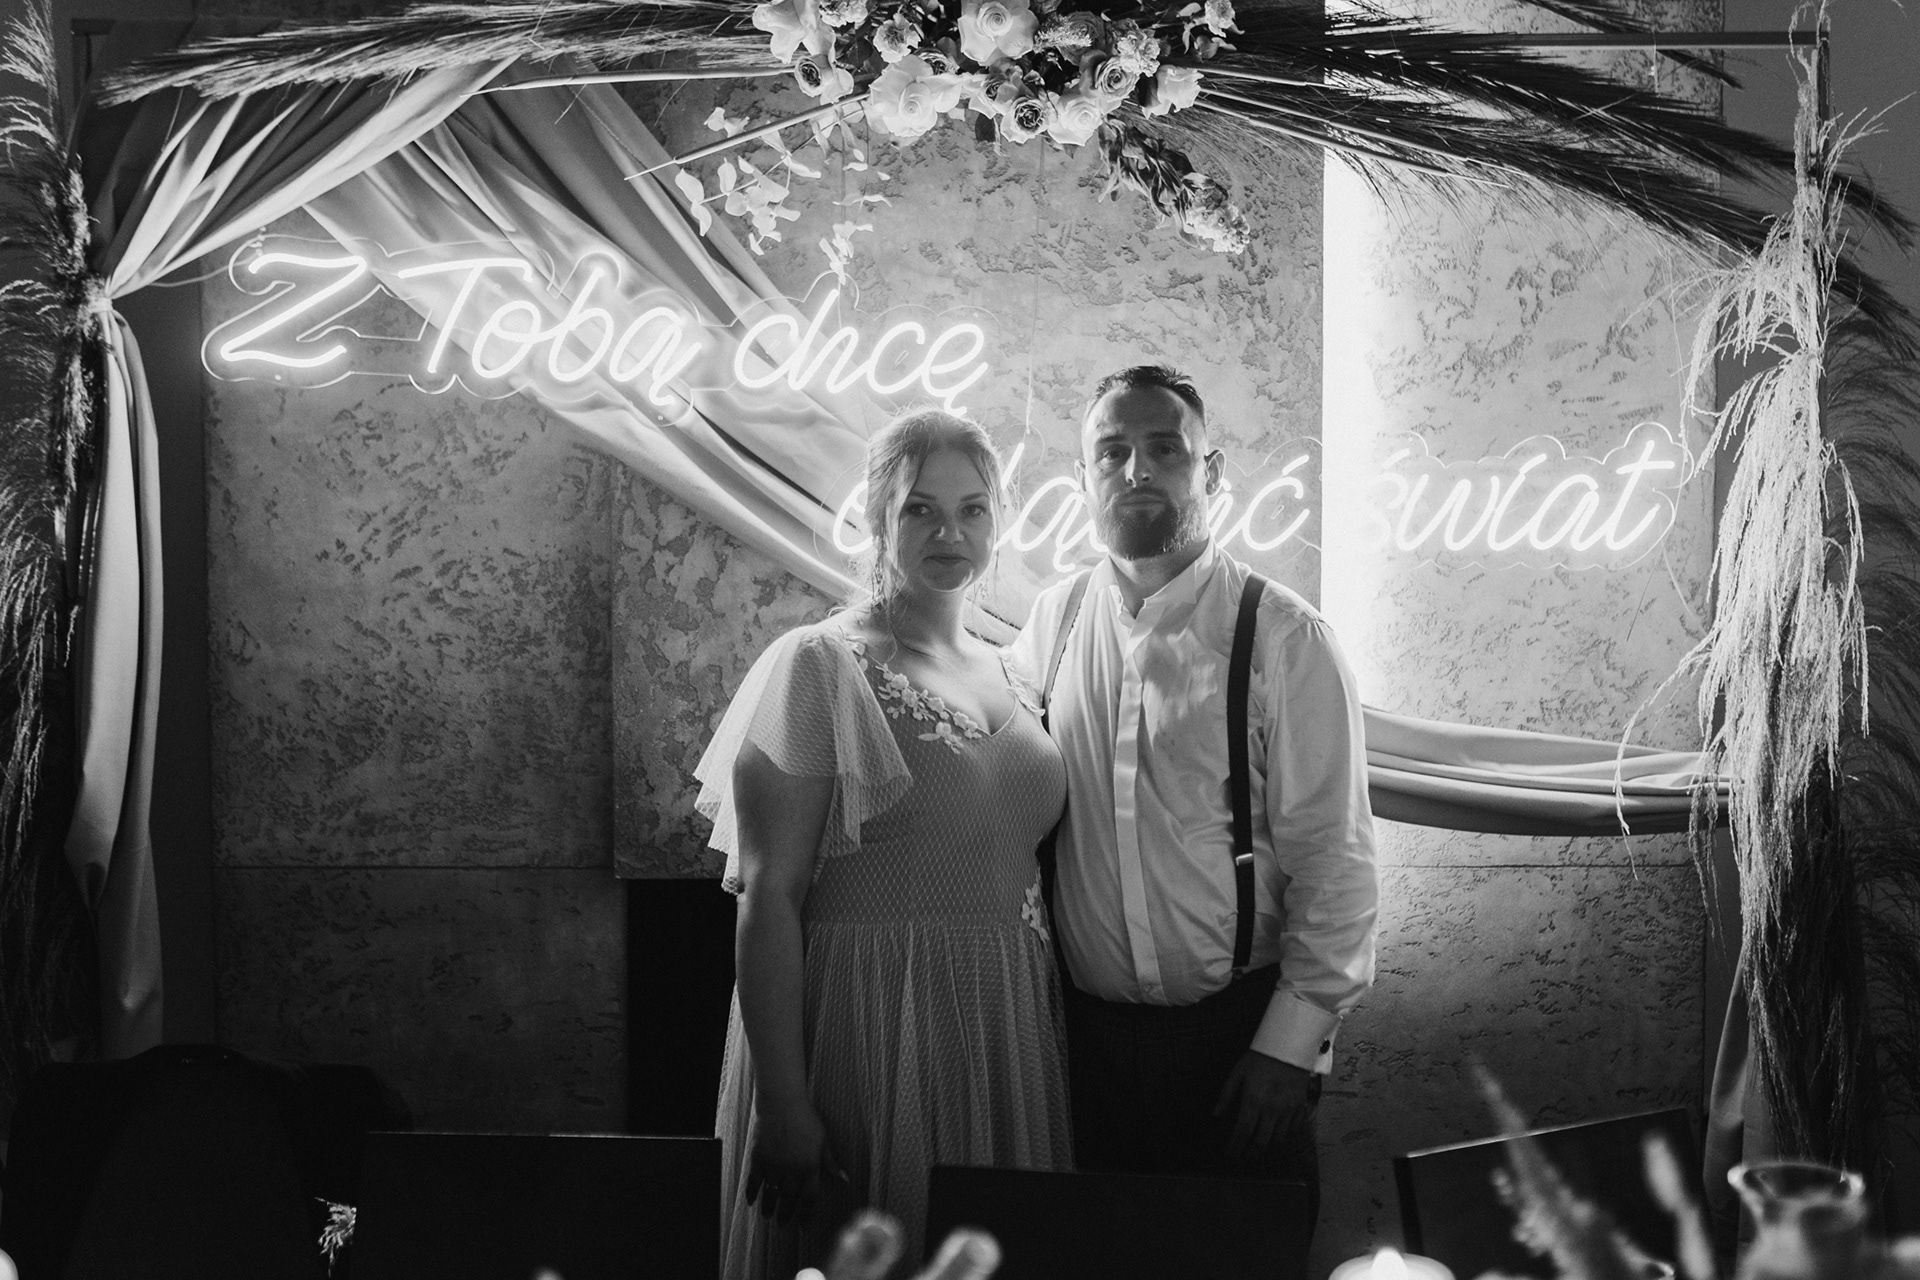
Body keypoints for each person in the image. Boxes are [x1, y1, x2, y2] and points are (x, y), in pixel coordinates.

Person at [696, 409, 1073, 1280]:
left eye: (973, 510)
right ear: (875, 517)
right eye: (920, 509)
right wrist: (783, 1103)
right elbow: (769, 896)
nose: (950, 533)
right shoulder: (822, 664)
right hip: (870, 1022)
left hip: (1003, 1023)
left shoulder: (1016, 669)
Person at [1009, 365, 1379, 1231]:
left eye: (1164, 448)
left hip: (1241, 1045)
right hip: (1086, 1048)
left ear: (1209, 472)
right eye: (1112, 452)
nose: (1136, 469)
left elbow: (1337, 863)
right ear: (1084, 477)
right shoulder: (1053, 622)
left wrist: (1290, 1048)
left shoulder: (1284, 637)